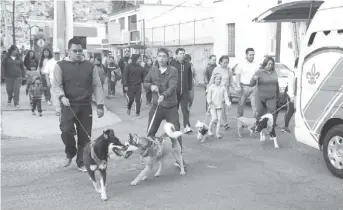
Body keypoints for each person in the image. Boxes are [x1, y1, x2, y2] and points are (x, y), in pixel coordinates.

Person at [52, 38, 105, 172]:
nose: (77, 53)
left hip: (85, 105)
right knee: (66, 131)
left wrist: (100, 105)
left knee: (84, 135)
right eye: (74, 51)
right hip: (68, 105)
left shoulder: (90, 66)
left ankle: (81, 161)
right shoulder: (60, 65)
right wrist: (62, 96)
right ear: (68, 51)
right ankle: (70, 152)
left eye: (80, 51)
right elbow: (56, 85)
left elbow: (97, 85)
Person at [144, 47, 184, 155]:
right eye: (159, 56)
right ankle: (149, 155)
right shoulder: (153, 69)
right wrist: (150, 86)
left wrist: (163, 95)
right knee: (150, 132)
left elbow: (172, 87)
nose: (161, 59)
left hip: (170, 107)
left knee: (175, 133)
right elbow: (145, 82)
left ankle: (179, 157)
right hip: (156, 107)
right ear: (156, 57)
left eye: (164, 56)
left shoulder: (173, 70)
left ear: (168, 58)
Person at [250, 56, 279, 133]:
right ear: (265, 64)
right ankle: (257, 126)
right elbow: (251, 84)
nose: (270, 66)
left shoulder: (274, 72)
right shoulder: (259, 72)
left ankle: (269, 128)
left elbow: (276, 84)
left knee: (271, 113)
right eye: (269, 64)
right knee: (259, 113)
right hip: (260, 96)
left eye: (272, 64)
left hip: (271, 96)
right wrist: (254, 79)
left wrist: (278, 94)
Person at [208, 55, 235, 130]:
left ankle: (223, 122)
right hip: (217, 91)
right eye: (224, 62)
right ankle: (220, 122)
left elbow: (231, 81)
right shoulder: (216, 69)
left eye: (227, 63)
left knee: (224, 108)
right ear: (220, 62)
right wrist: (208, 89)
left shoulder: (229, 70)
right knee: (217, 106)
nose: (226, 64)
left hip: (225, 90)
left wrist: (235, 88)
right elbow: (211, 80)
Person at [170, 48, 193, 133]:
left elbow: (190, 76)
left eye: (183, 53)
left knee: (185, 109)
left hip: (185, 91)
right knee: (174, 109)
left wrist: (189, 87)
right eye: (180, 53)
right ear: (176, 55)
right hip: (175, 91)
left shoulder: (187, 64)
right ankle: (174, 126)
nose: (182, 55)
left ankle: (187, 126)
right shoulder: (172, 63)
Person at [236, 48, 259, 118]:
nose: (252, 56)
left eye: (253, 55)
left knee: (255, 106)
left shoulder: (256, 64)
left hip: (254, 87)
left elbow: (259, 75)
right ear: (246, 55)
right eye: (250, 55)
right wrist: (238, 86)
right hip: (244, 87)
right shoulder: (241, 64)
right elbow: (237, 75)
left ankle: (256, 123)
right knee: (241, 105)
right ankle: (239, 120)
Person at [207, 73, 232, 138]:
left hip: (220, 105)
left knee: (219, 120)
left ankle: (217, 133)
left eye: (220, 79)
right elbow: (208, 97)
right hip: (213, 105)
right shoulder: (211, 87)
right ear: (214, 79)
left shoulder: (222, 87)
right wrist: (209, 102)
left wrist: (228, 103)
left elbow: (226, 97)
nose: (218, 80)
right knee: (214, 118)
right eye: (217, 79)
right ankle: (209, 129)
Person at [123, 54, 144, 118]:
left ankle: (137, 113)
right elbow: (125, 76)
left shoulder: (140, 67)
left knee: (138, 100)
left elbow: (142, 77)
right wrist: (125, 85)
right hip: (130, 86)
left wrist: (144, 84)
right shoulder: (128, 66)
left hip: (138, 86)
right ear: (135, 59)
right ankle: (129, 108)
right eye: (139, 59)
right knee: (131, 99)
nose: (140, 60)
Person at [281, 57, 298, 133]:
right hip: (291, 94)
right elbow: (290, 86)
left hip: (298, 95)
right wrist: (291, 96)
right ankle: (285, 126)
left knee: (296, 110)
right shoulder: (292, 73)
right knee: (290, 110)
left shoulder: (300, 72)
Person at [46, 48, 61, 116]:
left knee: (61, 94)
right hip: (53, 80)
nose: (56, 55)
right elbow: (46, 73)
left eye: (58, 53)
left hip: (62, 80)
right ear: (53, 54)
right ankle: (57, 109)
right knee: (54, 95)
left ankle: (62, 108)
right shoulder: (50, 62)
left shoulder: (62, 60)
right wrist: (48, 81)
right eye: (55, 53)